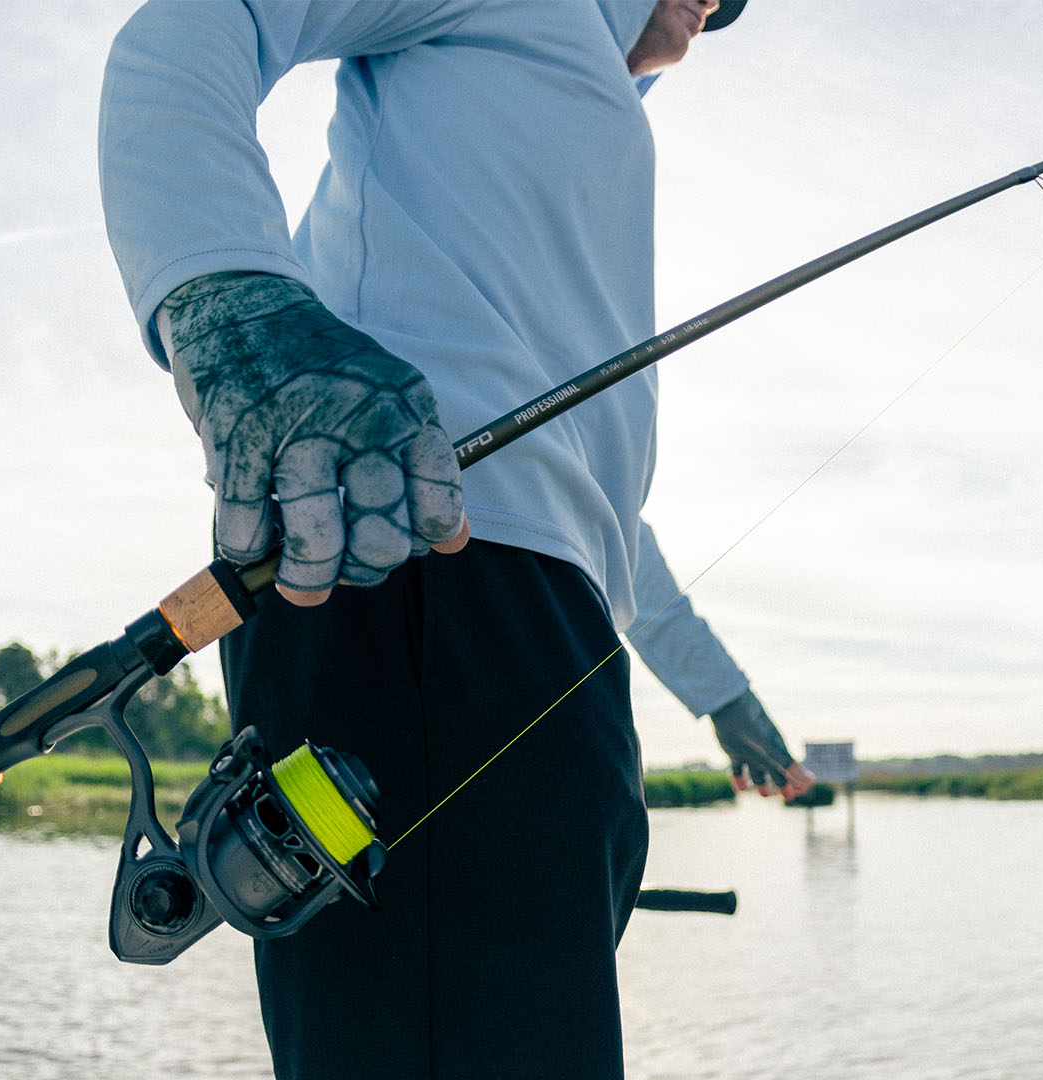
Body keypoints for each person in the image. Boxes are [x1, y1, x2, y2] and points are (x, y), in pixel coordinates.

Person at [99, 1, 812, 1075]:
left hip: (557, 639)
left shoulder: (595, 125)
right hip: (405, 581)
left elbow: (585, 504)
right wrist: (230, 301)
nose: (697, 17)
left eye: (719, 9)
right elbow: (201, 24)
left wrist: (721, 694)